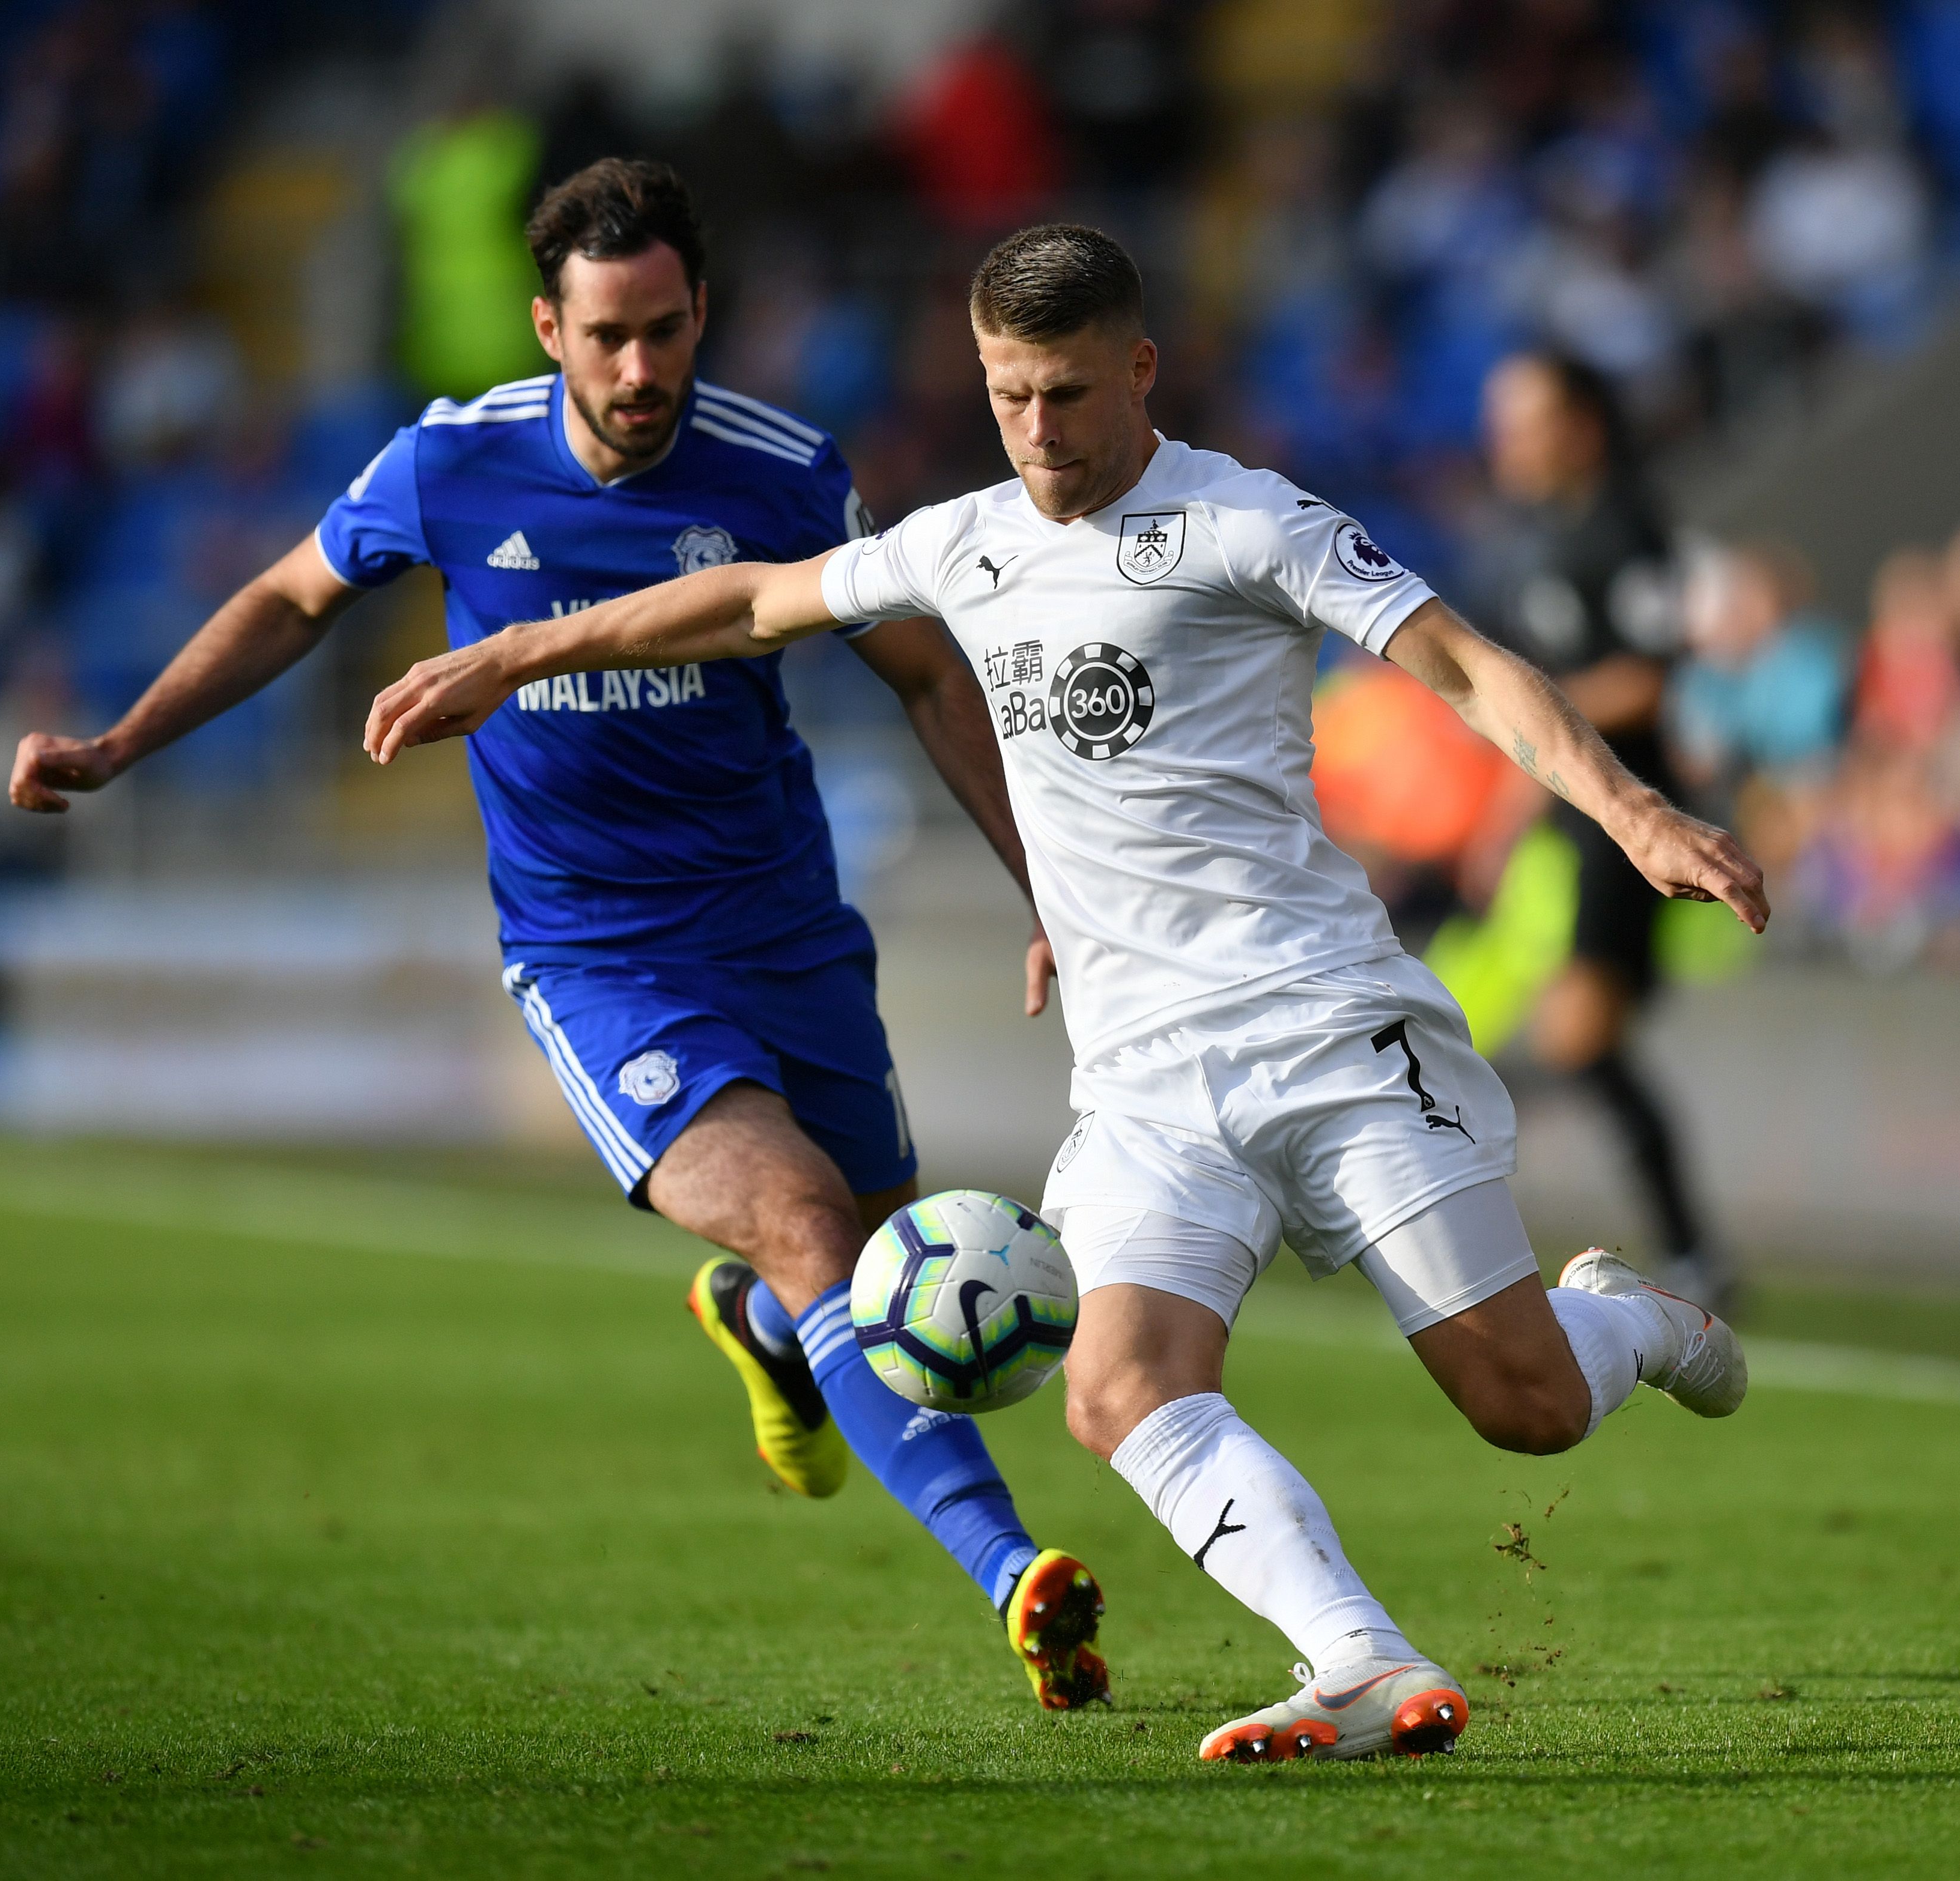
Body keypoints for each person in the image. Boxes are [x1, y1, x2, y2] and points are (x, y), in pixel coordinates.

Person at [361, 223, 1765, 1764]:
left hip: (1329, 1026)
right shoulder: (964, 541)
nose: (1040, 431)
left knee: (1524, 1405)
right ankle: (1360, 1659)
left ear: (1140, 370)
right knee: (1112, 1388)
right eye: (1011, 395)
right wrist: (524, 651)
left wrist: (1633, 814)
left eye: (1073, 394)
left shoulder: (1246, 519)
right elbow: (754, 602)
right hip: (1147, 1083)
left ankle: (1619, 1319)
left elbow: (1466, 663)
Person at [5, 162, 1109, 1710]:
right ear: (548, 327)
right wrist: (121, 746)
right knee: (810, 1229)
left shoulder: (782, 472)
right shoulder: (447, 465)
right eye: (607, 338)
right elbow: (290, 597)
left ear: (701, 313)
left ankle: (769, 1334)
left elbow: (929, 676)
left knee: (860, 1261)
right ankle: (1017, 1576)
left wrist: (1047, 891)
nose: (642, 370)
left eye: (667, 331)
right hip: (601, 956)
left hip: (790, 931)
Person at [1478, 351, 1730, 1306]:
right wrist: (1511, 805)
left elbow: (1651, 674)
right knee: (1576, 1039)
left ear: (1581, 424)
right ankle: (1690, 1248)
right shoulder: (1538, 539)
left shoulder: (1626, 526)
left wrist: (1532, 709)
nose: (1506, 440)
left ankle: (1692, 1250)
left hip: (1634, 822)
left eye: (1525, 418)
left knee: (1578, 1038)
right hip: (1574, 824)